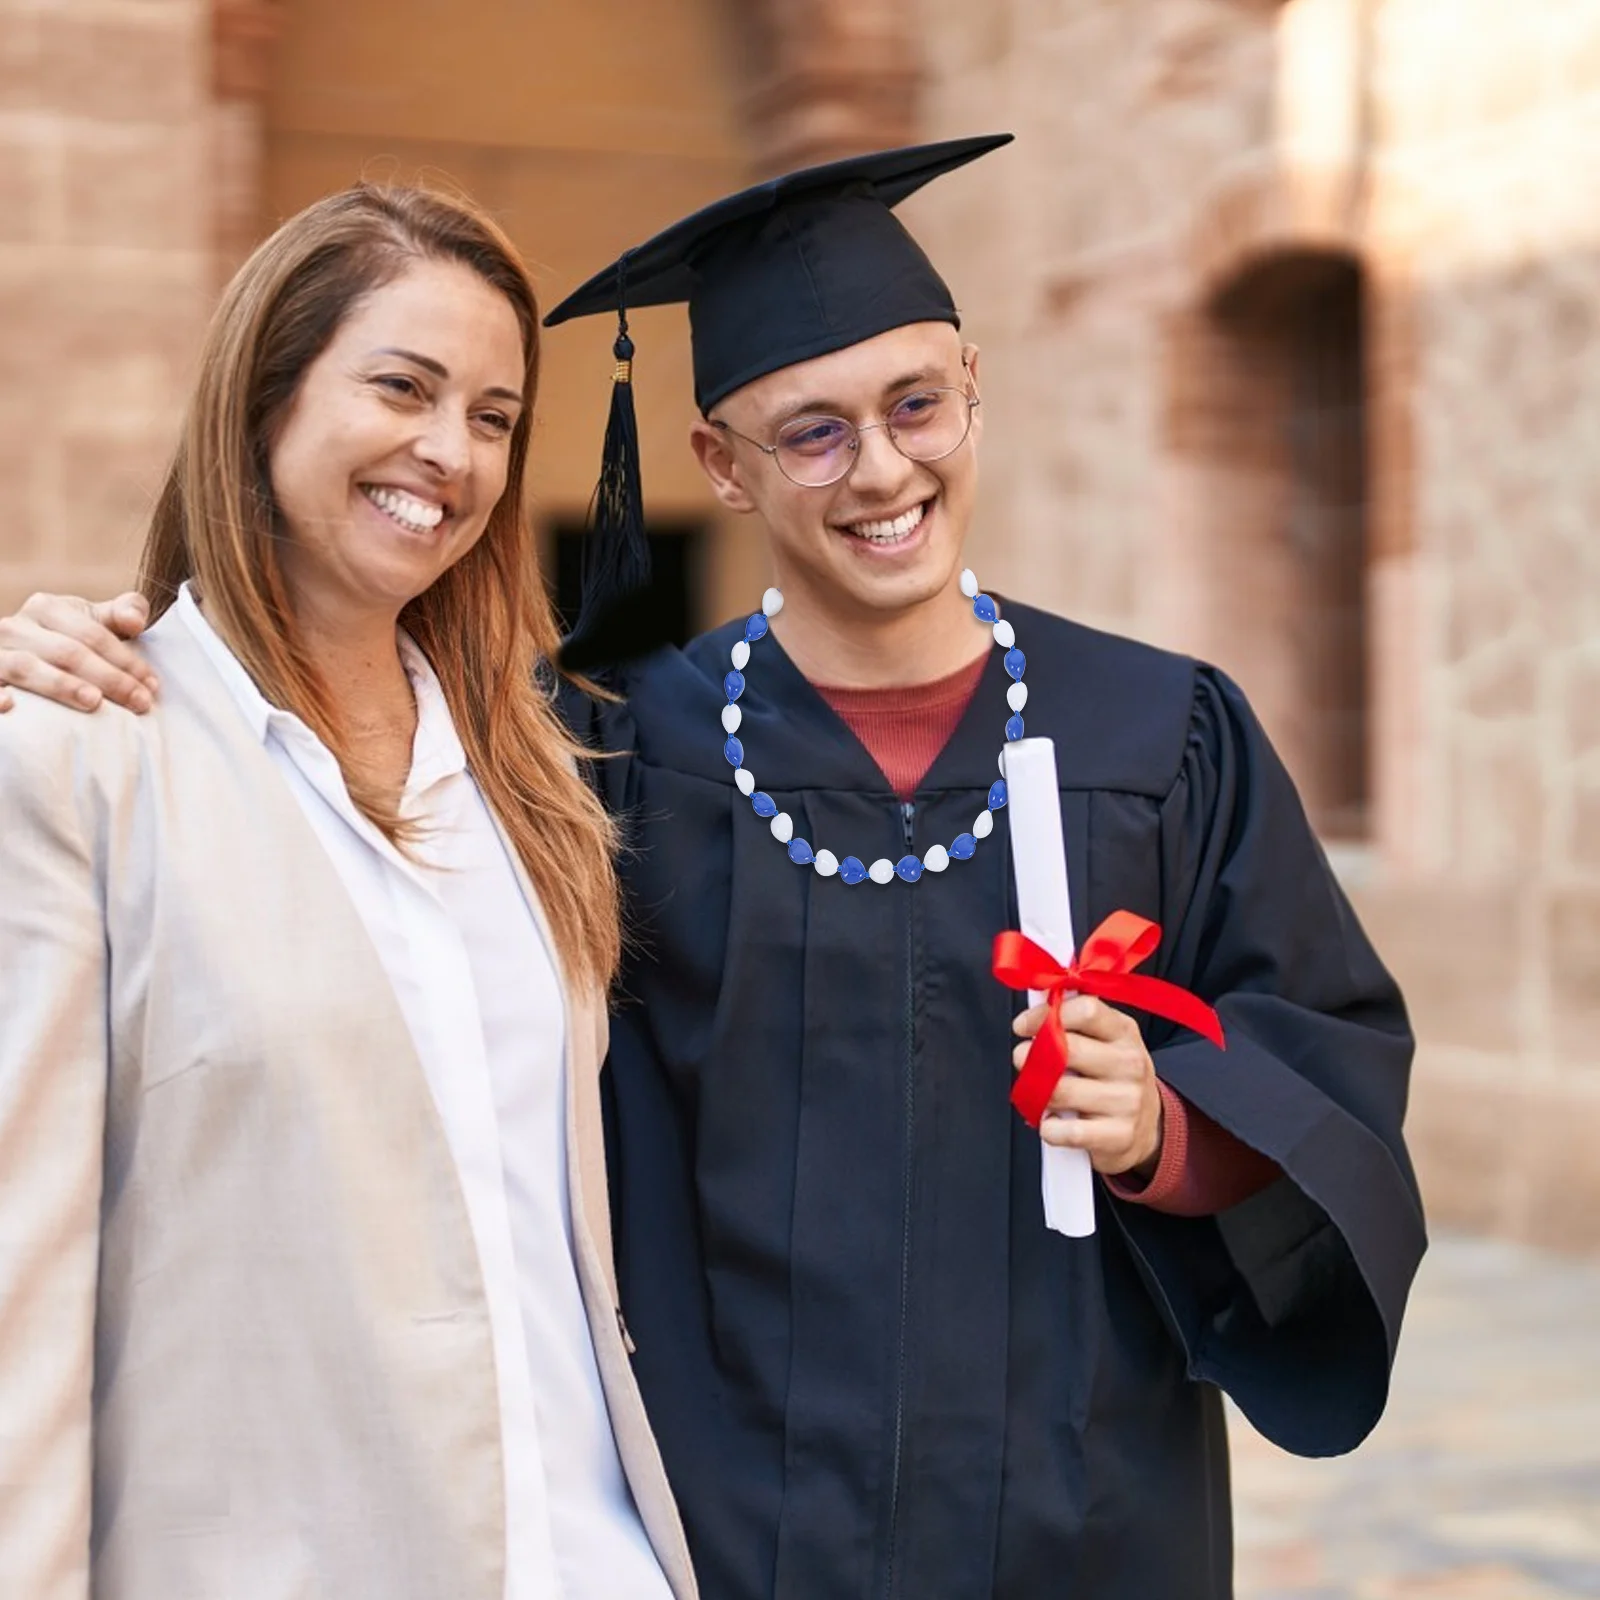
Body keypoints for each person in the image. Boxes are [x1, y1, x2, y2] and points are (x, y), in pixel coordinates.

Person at [1, 137, 1426, 1600]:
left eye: (918, 405)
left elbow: (1325, 1051)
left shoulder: (1161, 733)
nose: (881, 467)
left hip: (1083, 1510)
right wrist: (40, 657)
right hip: (727, 1528)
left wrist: (1168, 1131)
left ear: (975, 392)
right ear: (719, 468)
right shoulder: (602, 759)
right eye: (810, 432)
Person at [0, 184, 694, 1600]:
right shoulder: (82, 767)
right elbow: (21, 1306)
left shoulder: (532, 782)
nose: (448, 453)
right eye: (404, 388)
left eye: (495, 418)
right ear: (266, 396)